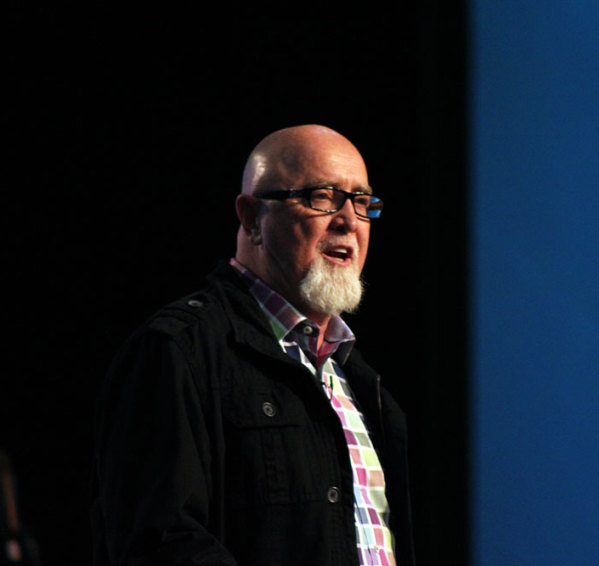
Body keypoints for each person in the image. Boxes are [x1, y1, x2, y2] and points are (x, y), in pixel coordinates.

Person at [90, 124, 415, 566]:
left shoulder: (363, 387)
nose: (348, 221)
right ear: (250, 218)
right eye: (322, 196)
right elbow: (161, 543)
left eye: (362, 202)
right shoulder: (178, 351)